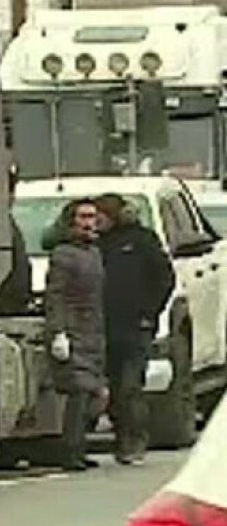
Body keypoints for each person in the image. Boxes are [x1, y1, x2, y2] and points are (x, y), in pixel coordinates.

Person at [95, 193, 175, 464]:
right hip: (104, 327)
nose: (97, 221)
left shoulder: (142, 240)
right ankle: (120, 439)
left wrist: (150, 312)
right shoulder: (96, 245)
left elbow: (164, 277)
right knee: (115, 389)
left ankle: (136, 440)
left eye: (101, 216)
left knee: (131, 386)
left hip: (136, 326)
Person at [45, 198, 108, 472]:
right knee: (79, 393)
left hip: (93, 330)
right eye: (82, 217)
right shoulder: (63, 254)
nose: (88, 222)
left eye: (92, 217)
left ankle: (80, 447)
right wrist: (58, 332)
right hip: (72, 329)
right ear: (71, 220)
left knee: (95, 393)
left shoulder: (94, 252)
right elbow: (55, 296)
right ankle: (70, 451)